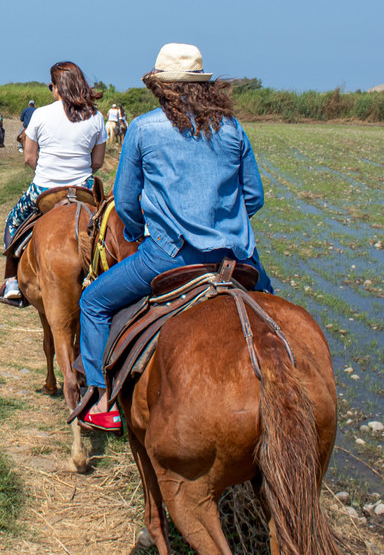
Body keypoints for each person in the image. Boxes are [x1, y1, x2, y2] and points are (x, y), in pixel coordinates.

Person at [75, 43, 273, 433]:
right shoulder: (232, 128)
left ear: (160, 87)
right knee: (275, 320)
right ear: (203, 86)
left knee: (93, 302)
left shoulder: (145, 129)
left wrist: (134, 232)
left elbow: (127, 200)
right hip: (237, 259)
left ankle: (101, 402)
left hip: (169, 256)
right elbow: (254, 197)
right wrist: (224, 224)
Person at [0, 63, 107, 302]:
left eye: (51, 86)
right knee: (106, 224)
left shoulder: (40, 114)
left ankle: (11, 281)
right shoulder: (96, 116)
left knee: (13, 222)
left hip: (44, 187)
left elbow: (29, 157)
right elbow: (97, 161)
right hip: (83, 189)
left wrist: (48, 172)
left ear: (57, 87)